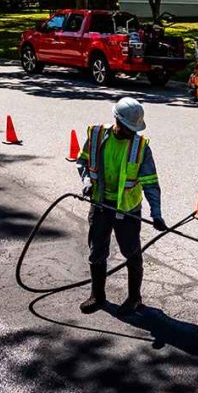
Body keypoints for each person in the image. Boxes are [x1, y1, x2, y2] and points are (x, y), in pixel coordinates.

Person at [76, 97, 166, 315]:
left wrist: (157, 214)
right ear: (116, 120)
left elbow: (150, 183)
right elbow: (82, 162)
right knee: (97, 251)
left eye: (134, 129)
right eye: (127, 128)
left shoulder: (140, 146)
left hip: (127, 210)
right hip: (100, 204)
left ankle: (135, 298)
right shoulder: (96, 136)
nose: (131, 133)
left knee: (132, 253)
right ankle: (97, 295)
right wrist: (87, 181)